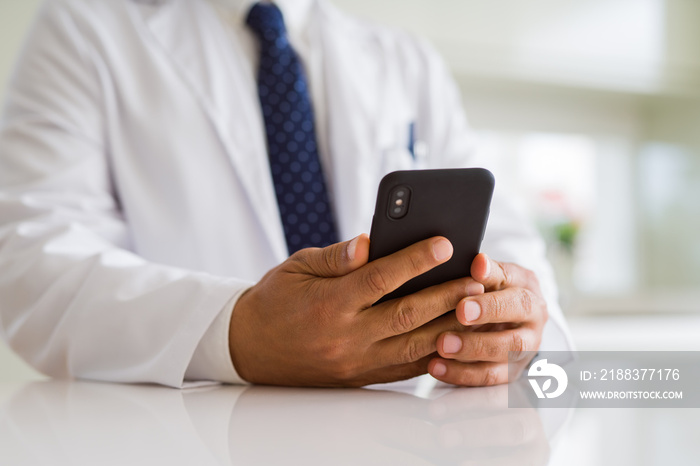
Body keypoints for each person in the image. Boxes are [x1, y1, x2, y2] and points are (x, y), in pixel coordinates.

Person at [0, 0, 572, 388]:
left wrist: (514, 321)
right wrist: (238, 332)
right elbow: (32, 264)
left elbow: (509, 247)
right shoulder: (82, 30)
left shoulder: (405, 61)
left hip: (400, 437)